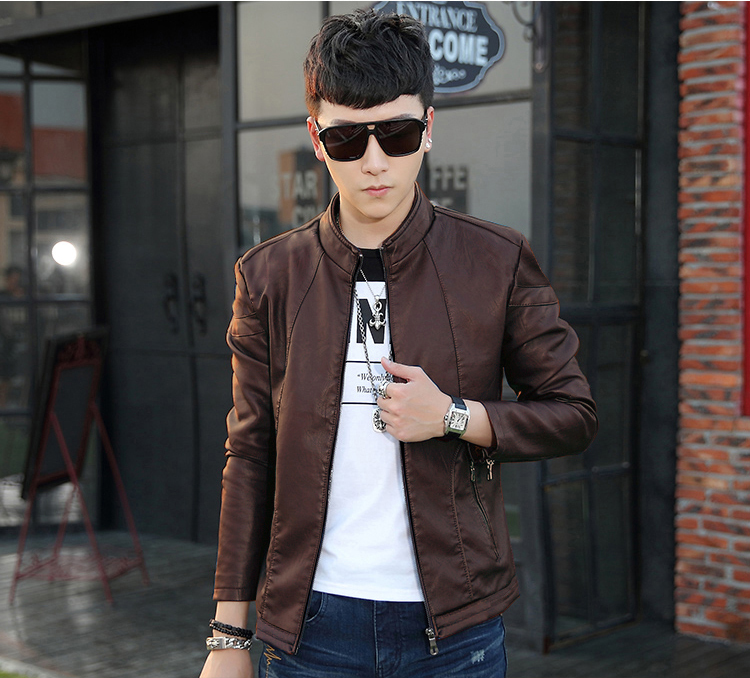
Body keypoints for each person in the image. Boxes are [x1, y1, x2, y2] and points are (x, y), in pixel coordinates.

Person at [200, 9, 597, 678]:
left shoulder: (495, 261)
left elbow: (573, 414)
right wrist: (228, 636)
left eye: (399, 133)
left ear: (429, 128)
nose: (375, 162)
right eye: (347, 139)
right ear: (316, 139)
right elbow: (249, 454)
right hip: (310, 627)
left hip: (456, 630)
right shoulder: (268, 276)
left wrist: (454, 416)